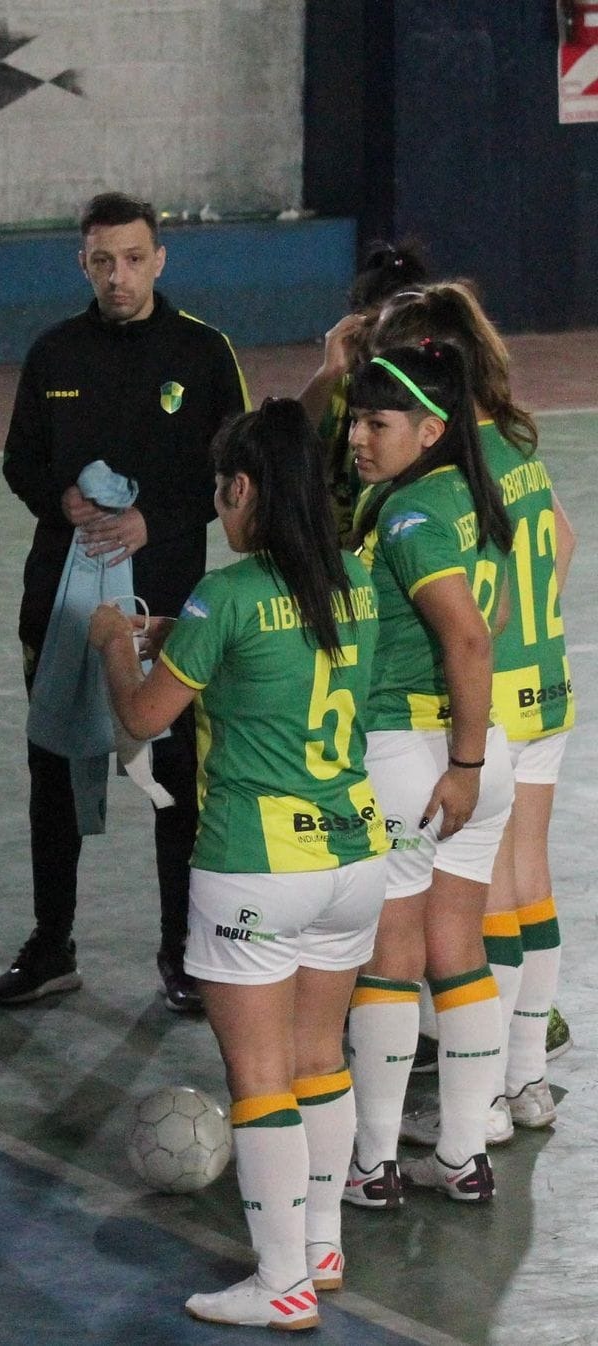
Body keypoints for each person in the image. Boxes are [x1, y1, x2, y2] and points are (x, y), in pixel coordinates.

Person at [89, 399, 387, 1330]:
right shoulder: (357, 584)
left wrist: (112, 650)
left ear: (246, 488)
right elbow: (281, 640)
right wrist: (190, 631)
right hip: (354, 857)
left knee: (259, 1078)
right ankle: (324, 1246)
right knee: (318, 1060)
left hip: (257, 863)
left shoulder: (231, 593)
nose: (219, 511)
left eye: (222, 493)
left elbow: (142, 719)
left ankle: (279, 1282)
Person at [0, 191, 250, 1011]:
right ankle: (51, 943)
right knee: (54, 771)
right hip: (63, 607)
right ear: (83, 263)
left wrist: (155, 520)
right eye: (103, 261)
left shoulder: (205, 355)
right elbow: (18, 464)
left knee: (175, 778)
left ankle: (181, 951)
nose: (119, 276)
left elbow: (236, 479)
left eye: (134, 258)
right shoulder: (53, 353)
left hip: (170, 607)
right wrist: (57, 499)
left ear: (160, 258)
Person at [372, 283, 575, 1138]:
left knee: (478, 899)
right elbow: (561, 538)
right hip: (548, 681)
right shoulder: (515, 440)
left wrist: (488, 638)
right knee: (528, 877)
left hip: (487, 698)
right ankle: (523, 1079)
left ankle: (482, 1099)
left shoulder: (451, 465)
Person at [342, 343, 515, 1207]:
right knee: (460, 948)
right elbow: (507, 616)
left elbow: (469, 637)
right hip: (481, 755)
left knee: (390, 956)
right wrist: (480, 756)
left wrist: (463, 762)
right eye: (355, 420)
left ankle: (370, 1164)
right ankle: (460, 1156)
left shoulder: (407, 515)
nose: (357, 438)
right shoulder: (476, 498)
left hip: (420, 756)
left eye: (378, 422)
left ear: (431, 429)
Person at [299, 239, 430, 539]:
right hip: (342, 561)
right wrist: (328, 372)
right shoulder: (338, 388)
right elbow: (285, 447)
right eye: (368, 327)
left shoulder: (432, 393)